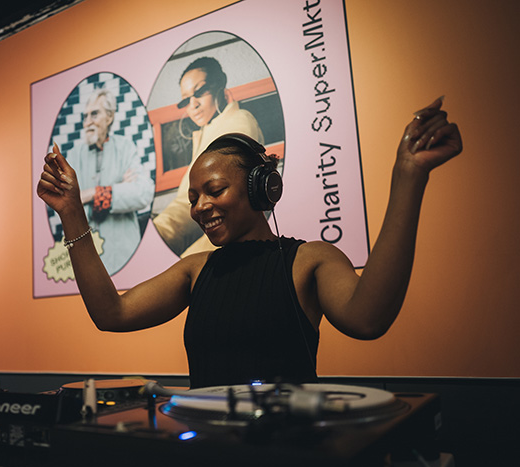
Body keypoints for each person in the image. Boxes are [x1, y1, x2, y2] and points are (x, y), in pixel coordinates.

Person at [37, 97, 462, 389]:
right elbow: (112, 313)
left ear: (262, 189)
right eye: (193, 198)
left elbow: (367, 319)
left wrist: (409, 176)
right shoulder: (196, 269)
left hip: (288, 462)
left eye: (215, 190)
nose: (200, 207)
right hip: (210, 461)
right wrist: (72, 211)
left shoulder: (309, 260)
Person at [153, 56, 265, 257]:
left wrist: (159, 235)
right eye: (186, 100)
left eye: (200, 92)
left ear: (219, 85)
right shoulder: (209, 130)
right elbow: (186, 204)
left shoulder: (238, 122)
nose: (193, 105)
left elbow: (228, 207)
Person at [64, 88, 154, 274]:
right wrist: (120, 188)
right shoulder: (73, 155)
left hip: (125, 256)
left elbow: (143, 193)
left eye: (94, 114)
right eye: (85, 116)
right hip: (86, 256)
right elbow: (67, 202)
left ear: (110, 117)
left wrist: (93, 194)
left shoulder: (125, 147)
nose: (87, 122)